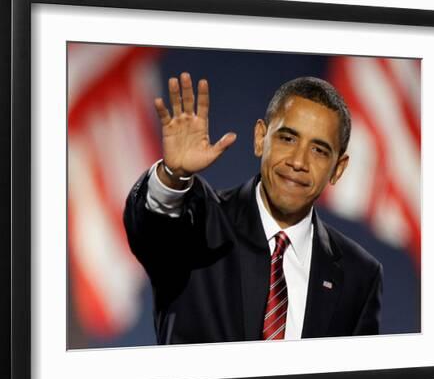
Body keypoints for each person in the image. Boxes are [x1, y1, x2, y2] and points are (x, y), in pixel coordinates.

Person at [123, 72, 383, 344]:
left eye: (319, 150)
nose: (298, 161)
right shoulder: (198, 223)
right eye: (287, 139)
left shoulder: (360, 274)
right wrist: (173, 176)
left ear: (338, 169)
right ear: (261, 138)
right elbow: (151, 228)